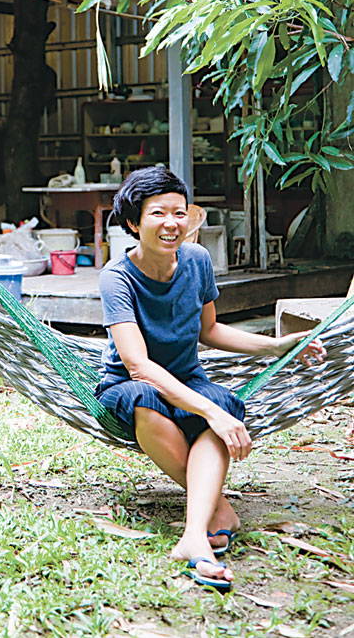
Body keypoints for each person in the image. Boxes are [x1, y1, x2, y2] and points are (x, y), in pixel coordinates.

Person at [96, 167, 325, 591]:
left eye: (179, 213)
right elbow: (138, 365)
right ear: (133, 222)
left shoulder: (198, 260)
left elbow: (210, 330)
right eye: (158, 213)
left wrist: (276, 346)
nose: (172, 223)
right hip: (129, 386)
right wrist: (209, 412)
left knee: (222, 405)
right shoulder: (117, 277)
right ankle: (217, 509)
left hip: (187, 378)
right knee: (152, 401)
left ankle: (192, 535)